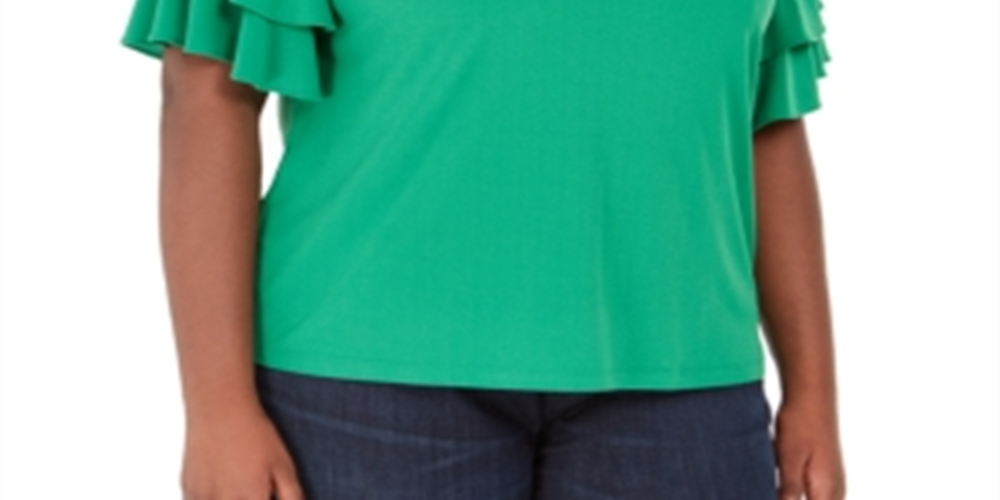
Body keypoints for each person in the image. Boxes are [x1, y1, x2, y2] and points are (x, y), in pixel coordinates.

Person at [120, 0, 846, 498]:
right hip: (363, 390)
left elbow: (768, 119)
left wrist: (814, 393)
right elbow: (206, 92)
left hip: (686, 384)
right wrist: (216, 411)